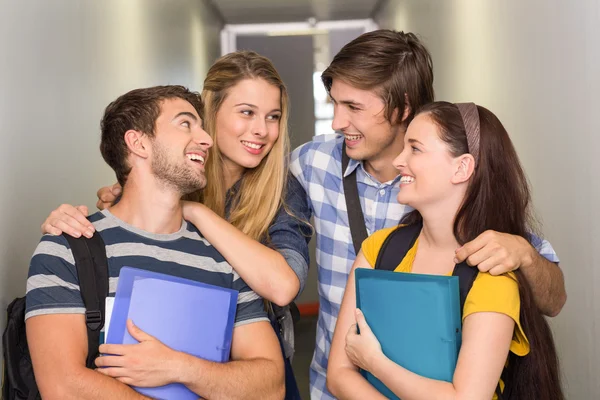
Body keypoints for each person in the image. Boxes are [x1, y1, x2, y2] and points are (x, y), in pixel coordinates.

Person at [289, 30, 567, 399]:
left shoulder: (482, 237)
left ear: (402, 108)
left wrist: (524, 255)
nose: (337, 122)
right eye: (335, 103)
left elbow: (554, 299)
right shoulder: (310, 163)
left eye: (353, 107)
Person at [39, 51, 311, 398]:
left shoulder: (282, 191)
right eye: (247, 112)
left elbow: (283, 286)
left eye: (273, 117)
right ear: (210, 116)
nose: (262, 130)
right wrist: (68, 226)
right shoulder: (174, 176)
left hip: (244, 362)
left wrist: (195, 212)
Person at [326, 101, 564, 400]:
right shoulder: (379, 249)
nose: (399, 160)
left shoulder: (492, 272)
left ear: (462, 167)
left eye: (415, 148)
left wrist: (375, 362)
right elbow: (338, 374)